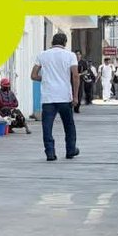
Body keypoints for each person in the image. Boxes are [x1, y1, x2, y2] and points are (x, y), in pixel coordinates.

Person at [31, 32, 80, 161]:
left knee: (47, 126)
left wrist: (46, 78)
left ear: (52, 42)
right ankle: (70, 150)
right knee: (69, 126)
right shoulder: (70, 55)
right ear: (65, 42)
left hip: (48, 97)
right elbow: (75, 76)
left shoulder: (42, 55)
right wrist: (75, 97)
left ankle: (50, 153)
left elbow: (33, 75)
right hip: (64, 97)